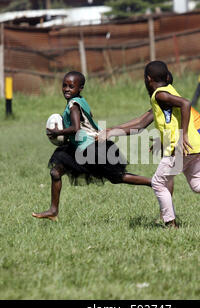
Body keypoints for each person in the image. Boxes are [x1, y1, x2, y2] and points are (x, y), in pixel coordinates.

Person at [102, 61, 200, 228]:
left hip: (180, 147)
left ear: (148, 79)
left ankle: (171, 224)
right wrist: (112, 130)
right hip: (194, 146)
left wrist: (183, 134)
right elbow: (142, 123)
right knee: (197, 185)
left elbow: (186, 103)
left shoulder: (159, 95)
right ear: (168, 77)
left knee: (157, 183)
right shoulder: (167, 92)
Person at [32, 71, 151, 221]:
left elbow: (76, 128)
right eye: (64, 85)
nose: (67, 89)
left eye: (71, 86)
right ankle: (53, 210)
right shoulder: (80, 101)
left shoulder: (74, 105)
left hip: (93, 149)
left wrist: (58, 132)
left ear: (80, 88)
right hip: (83, 147)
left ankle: (153, 182)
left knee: (117, 177)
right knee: (56, 172)